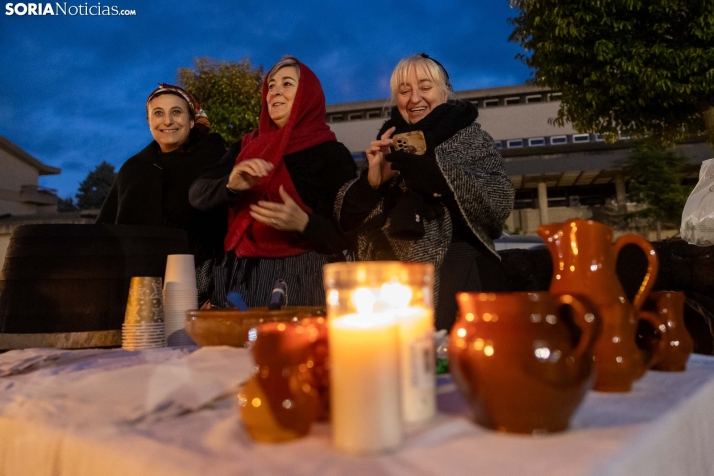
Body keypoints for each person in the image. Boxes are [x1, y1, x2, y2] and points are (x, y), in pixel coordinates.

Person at [335, 54, 514, 330]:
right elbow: (346, 220)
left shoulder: (471, 138)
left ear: (445, 91)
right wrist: (372, 183)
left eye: (425, 87)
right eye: (404, 91)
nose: (414, 98)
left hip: (462, 274)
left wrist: (435, 175)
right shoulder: (388, 143)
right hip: (391, 286)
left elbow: (500, 200)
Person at [189, 57, 357, 308]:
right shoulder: (245, 147)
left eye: (287, 84)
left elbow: (349, 234)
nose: (275, 91)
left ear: (307, 95)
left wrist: (304, 223)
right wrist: (230, 184)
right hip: (240, 278)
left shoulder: (331, 154)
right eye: (271, 85)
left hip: (304, 281)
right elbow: (197, 195)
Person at [97, 84, 228, 302]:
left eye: (176, 112)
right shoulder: (134, 169)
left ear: (192, 120)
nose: (167, 121)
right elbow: (108, 230)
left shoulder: (213, 159)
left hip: (203, 282)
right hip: (141, 287)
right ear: (149, 122)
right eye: (158, 113)